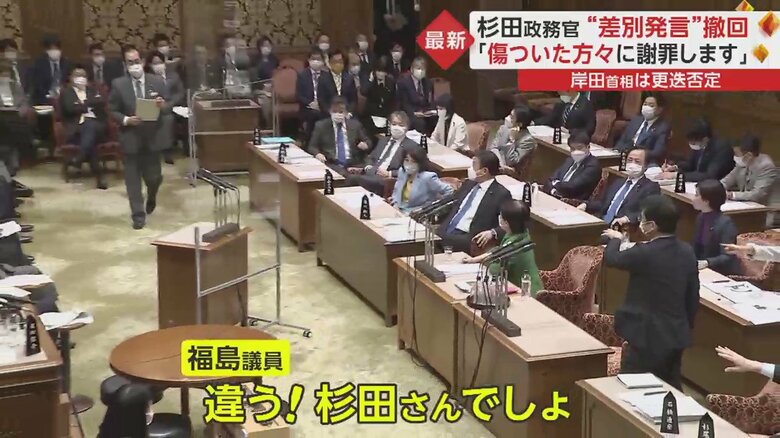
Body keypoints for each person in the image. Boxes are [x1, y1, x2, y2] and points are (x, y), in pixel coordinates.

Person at [602, 195, 700, 389]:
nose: (640, 222)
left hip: (647, 336)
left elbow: (613, 259)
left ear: (652, 225)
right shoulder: (687, 251)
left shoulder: (645, 252)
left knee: (632, 387)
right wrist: (684, 326)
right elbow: (692, 296)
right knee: (671, 386)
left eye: (642, 219)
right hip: (675, 334)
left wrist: (616, 239)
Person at [109, 45, 169, 230]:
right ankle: (138, 215)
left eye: (136, 61)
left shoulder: (156, 81)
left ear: (142, 61)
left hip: (152, 137)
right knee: (132, 180)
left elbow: (167, 106)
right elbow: (112, 110)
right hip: (131, 137)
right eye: (130, 62)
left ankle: (152, 196)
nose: (134, 65)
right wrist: (126, 120)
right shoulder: (118, 84)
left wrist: (162, 105)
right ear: (125, 65)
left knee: (154, 178)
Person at [436, 151, 512, 254]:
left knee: (431, 242)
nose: (470, 169)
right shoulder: (468, 184)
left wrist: (493, 232)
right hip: (447, 229)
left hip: (468, 237)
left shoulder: (501, 194)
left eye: (474, 165)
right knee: (426, 237)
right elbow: (449, 202)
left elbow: (510, 223)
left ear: (484, 171)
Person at [463, 200, 543, 295]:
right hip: (522, 286)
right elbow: (497, 251)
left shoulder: (516, 246)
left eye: (501, 216)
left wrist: (483, 263)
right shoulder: (520, 233)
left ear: (506, 223)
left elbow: (495, 270)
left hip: (527, 292)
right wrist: (473, 260)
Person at [580, 148, 661, 227]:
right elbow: (602, 203)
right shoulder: (618, 182)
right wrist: (586, 205)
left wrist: (627, 219)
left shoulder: (650, 187)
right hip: (600, 221)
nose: (632, 164)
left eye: (637, 162)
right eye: (630, 160)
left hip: (620, 227)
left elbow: (647, 213)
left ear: (646, 166)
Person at [59, 66, 108, 189]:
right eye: (77, 75)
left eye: (83, 76)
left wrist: (82, 104)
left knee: (90, 125)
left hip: (97, 127)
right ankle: (99, 177)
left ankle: (79, 158)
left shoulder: (93, 90)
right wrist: (88, 104)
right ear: (71, 78)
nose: (80, 78)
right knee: (91, 141)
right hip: (76, 129)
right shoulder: (66, 92)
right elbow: (69, 109)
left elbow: (101, 103)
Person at [353, 111, 419, 195]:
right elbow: (371, 157)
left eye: (401, 125)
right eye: (394, 124)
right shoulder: (383, 140)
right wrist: (368, 167)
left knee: (353, 179)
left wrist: (389, 173)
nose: (396, 127)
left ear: (407, 128)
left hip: (387, 180)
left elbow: (411, 169)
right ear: (389, 125)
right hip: (372, 173)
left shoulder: (411, 146)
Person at [309, 97, 372, 176]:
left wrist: (365, 145)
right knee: (343, 174)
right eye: (335, 111)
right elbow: (312, 146)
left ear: (346, 113)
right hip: (332, 163)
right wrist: (318, 154)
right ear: (330, 111)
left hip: (354, 163)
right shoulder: (321, 126)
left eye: (341, 112)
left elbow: (368, 142)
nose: (338, 114)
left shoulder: (355, 125)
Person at [662, 118, 734, 182]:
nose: (691, 145)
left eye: (693, 143)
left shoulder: (722, 149)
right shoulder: (700, 144)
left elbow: (710, 175)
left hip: (714, 187)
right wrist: (675, 168)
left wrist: (678, 176)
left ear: (705, 139)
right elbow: (690, 164)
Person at [691, 179, 739, 275]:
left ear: (706, 201)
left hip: (718, 271)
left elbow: (728, 257)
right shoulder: (700, 217)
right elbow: (696, 247)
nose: (693, 199)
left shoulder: (726, 224)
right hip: (699, 267)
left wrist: (707, 262)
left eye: (696, 195)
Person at [146, 50, 184, 165]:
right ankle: (160, 150)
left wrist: (170, 104)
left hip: (172, 105)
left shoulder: (173, 76)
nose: (158, 65)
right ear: (150, 65)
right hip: (153, 106)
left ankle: (170, 150)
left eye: (160, 62)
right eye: (154, 63)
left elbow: (180, 93)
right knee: (165, 118)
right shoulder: (147, 78)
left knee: (170, 118)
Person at [543, 130, 601, 200]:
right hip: (556, 196)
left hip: (572, 201)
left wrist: (555, 184)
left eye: (579, 148)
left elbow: (572, 186)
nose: (576, 152)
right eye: (573, 149)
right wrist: (553, 191)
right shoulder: (569, 160)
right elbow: (550, 179)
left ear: (588, 147)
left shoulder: (593, 166)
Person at [390, 147, 453, 212]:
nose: (409, 164)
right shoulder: (402, 172)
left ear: (420, 163)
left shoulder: (428, 177)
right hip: (399, 209)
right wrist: (395, 204)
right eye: (406, 160)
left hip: (417, 213)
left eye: (413, 162)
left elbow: (449, 191)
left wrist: (437, 207)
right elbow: (396, 191)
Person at [721, 133, 777, 205]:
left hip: (758, 208)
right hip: (740, 204)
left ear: (749, 155)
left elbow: (757, 194)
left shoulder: (766, 166)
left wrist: (731, 195)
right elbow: (726, 181)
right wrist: (716, 189)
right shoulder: (742, 164)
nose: (735, 156)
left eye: (736, 154)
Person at [614, 93, 671, 164]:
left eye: (651, 105)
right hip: (624, 157)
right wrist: (616, 151)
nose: (646, 107)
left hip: (645, 162)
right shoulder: (635, 120)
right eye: (645, 104)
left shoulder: (663, 127)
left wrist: (638, 154)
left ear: (659, 109)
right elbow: (622, 141)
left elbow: (658, 152)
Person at [297, 47, 330, 144]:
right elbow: (299, 95)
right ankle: (310, 143)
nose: (316, 61)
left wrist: (321, 105)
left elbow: (330, 94)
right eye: (313, 59)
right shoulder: (302, 75)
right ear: (309, 60)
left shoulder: (327, 76)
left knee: (326, 114)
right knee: (313, 114)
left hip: (323, 106)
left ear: (323, 61)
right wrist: (311, 103)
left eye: (318, 59)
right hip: (307, 107)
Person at [488, 104, 536, 171]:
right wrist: (499, 163)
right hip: (497, 164)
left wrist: (511, 140)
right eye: (509, 115)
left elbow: (511, 161)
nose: (507, 118)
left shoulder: (527, 140)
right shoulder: (504, 128)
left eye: (512, 117)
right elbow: (493, 147)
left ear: (519, 124)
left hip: (510, 171)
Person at [30, 34, 72, 104]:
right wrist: (49, 95)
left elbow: (69, 82)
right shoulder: (39, 64)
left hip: (64, 99)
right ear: (46, 51)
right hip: (44, 99)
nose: (54, 51)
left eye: (56, 49)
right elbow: (38, 85)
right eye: (51, 49)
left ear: (60, 50)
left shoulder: (67, 63)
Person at [397, 57, 433, 133]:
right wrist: (414, 113)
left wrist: (430, 111)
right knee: (420, 123)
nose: (421, 71)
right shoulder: (403, 83)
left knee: (437, 119)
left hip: (424, 112)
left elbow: (429, 100)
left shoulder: (428, 82)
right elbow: (404, 104)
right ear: (412, 69)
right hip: (410, 112)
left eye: (423, 69)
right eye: (418, 68)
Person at [361, 56, 395, 137]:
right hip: (371, 115)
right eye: (378, 71)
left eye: (383, 71)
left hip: (385, 115)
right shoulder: (370, 82)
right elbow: (364, 92)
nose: (380, 74)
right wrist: (370, 81)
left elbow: (393, 101)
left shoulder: (390, 83)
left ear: (386, 73)